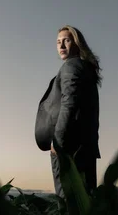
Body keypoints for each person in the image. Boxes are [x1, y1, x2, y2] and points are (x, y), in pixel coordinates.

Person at [34, 25, 102, 198]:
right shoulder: (84, 68)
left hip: (69, 150)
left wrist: (58, 142)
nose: (61, 46)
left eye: (67, 40)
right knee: (85, 203)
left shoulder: (71, 67)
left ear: (77, 44)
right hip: (84, 147)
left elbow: (69, 103)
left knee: (69, 206)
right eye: (58, 42)